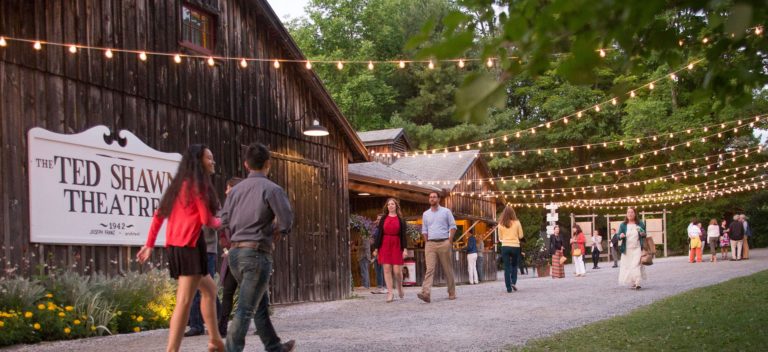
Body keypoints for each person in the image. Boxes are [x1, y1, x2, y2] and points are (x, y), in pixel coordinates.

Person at [136, 144, 225, 352]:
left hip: (181, 247)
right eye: (209, 158)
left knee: (210, 290)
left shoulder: (178, 186)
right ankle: (172, 350)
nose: (212, 161)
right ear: (198, 161)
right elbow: (207, 220)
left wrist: (149, 244)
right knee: (184, 301)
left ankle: (215, 340)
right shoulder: (197, 186)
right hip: (189, 247)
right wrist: (225, 221)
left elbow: (158, 216)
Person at [218, 143, 295, 352]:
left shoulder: (235, 191)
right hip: (256, 253)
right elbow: (287, 220)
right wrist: (276, 231)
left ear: (246, 164)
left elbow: (223, 220)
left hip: (235, 254)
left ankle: (274, 347)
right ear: (268, 163)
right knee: (245, 308)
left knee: (258, 303)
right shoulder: (272, 189)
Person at [417, 192, 457, 303]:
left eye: (434, 197)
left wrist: (449, 241)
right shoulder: (426, 214)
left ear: (439, 199)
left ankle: (451, 291)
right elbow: (424, 230)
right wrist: (427, 242)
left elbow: (453, 226)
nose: (432, 199)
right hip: (430, 244)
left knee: (447, 268)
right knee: (429, 269)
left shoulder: (446, 211)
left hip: (444, 242)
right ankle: (426, 293)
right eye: (430, 197)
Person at [186, 226, 223, 337]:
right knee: (196, 288)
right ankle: (197, 325)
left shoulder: (209, 213)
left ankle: (200, 325)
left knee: (206, 288)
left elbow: (217, 224)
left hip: (207, 250)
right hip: (191, 250)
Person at [217, 177, 243, 337]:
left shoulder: (245, 208)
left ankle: (260, 325)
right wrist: (227, 247)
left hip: (245, 255)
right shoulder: (226, 209)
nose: (226, 191)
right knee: (228, 291)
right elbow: (222, 233)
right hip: (231, 256)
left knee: (250, 293)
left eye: (228, 188)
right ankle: (222, 327)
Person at [373, 198, 409, 303]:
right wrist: (376, 248)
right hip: (385, 244)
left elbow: (403, 236)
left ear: (396, 206)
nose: (390, 206)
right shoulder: (383, 218)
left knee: (397, 271)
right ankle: (390, 293)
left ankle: (399, 287)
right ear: (387, 207)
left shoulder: (401, 219)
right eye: (388, 204)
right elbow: (379, 234)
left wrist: (405, 249)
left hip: (397, 244)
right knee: (387, 269)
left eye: (392, 204)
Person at [616, 207, 647, 290]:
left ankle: (637, 282)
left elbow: (645, 235)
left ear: (635, 214)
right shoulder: (623, 225)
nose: (630, 214)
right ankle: (633, 282)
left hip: (637, 248)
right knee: (628, 266)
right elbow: (618, 236)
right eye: (628, 212)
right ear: (626, 214)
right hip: (627, 250)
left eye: (632, 212)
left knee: (636, 265)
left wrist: (643, 234)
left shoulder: (640, 223)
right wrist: (620, 236)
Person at [498, 205, 524, 292]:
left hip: (505, 246)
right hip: (515, 246)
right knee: (514, 265)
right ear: (513, 213)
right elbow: (521, 236)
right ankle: (513, 282)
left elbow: (500, 237)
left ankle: (508, 288)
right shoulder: (517, 222)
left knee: (506, 267)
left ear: (503, 213)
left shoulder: (500, 224)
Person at [371, 215, 386, 294]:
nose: (377, 220)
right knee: (378, 270)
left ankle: (385, 287)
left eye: (379, 219)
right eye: (377, 219)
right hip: (376, 251)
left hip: (383, 251)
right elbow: (374, 241)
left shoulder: (384, 229)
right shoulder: (376, 229)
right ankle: (379, 286)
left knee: (383, 270)